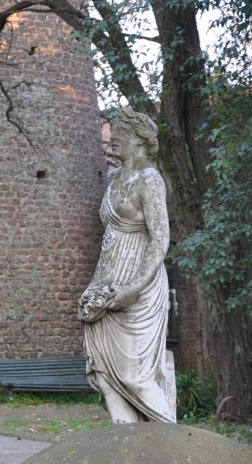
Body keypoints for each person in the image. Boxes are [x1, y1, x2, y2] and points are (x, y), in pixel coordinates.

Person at [80, 108, 176, 423]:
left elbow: (160, 238)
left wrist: (134, 287)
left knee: (135, 377)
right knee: (106, 377)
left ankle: (173, 448)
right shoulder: (115, 180)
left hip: (138, 284)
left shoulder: (149, 180)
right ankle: (126, 450)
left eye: (118, 134)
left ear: (138, 139)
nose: (111, 141)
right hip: (105, 283)